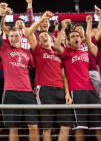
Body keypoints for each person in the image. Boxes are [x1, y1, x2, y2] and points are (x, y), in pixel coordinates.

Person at [0, 2, 39, 141]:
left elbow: (35, 70)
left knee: (33, 126)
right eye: (11, 36)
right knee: (13, 128)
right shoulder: (5, 48)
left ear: (21, 36)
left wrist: (33, 85)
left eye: (16, 36)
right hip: (10, 92)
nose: (13, 38)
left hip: (27, 92)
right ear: (8, 37)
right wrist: (1, 15)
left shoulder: (28, 52)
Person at [54, 18, 101, 141]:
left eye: (77, 36)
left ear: (81, 39)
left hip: (91, 91)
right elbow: (56, 46)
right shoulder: (66, 52)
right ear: (68, 41)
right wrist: (62, 28)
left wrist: (94, 88)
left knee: (98, 127)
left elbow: (85, 73)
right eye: (72, 36)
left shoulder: (85, 53)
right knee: (80, 127)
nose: (76, 38)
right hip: (76, 91)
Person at [27, 11, 73, 141]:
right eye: (41, 37)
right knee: (46, 128)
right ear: (39, 41)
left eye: (46, 35)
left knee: (65, 127)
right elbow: (29, 32)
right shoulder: (38, 51)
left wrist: (67, 93)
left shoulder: (58, 54)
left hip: (61, 91)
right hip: (44, 91)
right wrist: (42, 18)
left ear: (51, 38)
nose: (43, 37)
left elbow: (64, 76)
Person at [73, 5, 101, 99]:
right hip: (80, 73)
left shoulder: (90, 41)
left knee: (97, 96)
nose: (79, 31)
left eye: (81, 29)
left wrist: (99, 16)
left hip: (92, 70)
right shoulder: (72, 45)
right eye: (77, 30)